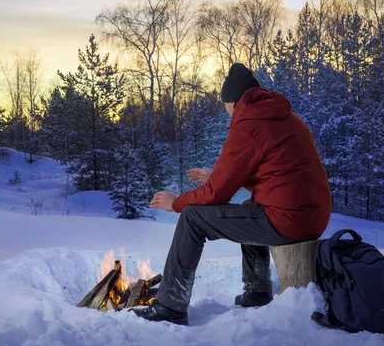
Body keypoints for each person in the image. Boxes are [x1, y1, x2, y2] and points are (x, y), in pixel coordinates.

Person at [131, 63, 332, 325]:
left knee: (192, 217)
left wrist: (176, 203)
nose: (226, 112)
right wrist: (217, 176)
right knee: (251, 209)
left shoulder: (248, 124)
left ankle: (170, 305)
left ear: (235, 102)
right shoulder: (285, 118)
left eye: (226, 106)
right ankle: (258, 292)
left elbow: (216, 194)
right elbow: (278, 174)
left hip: (290, 221)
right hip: (312, 216)